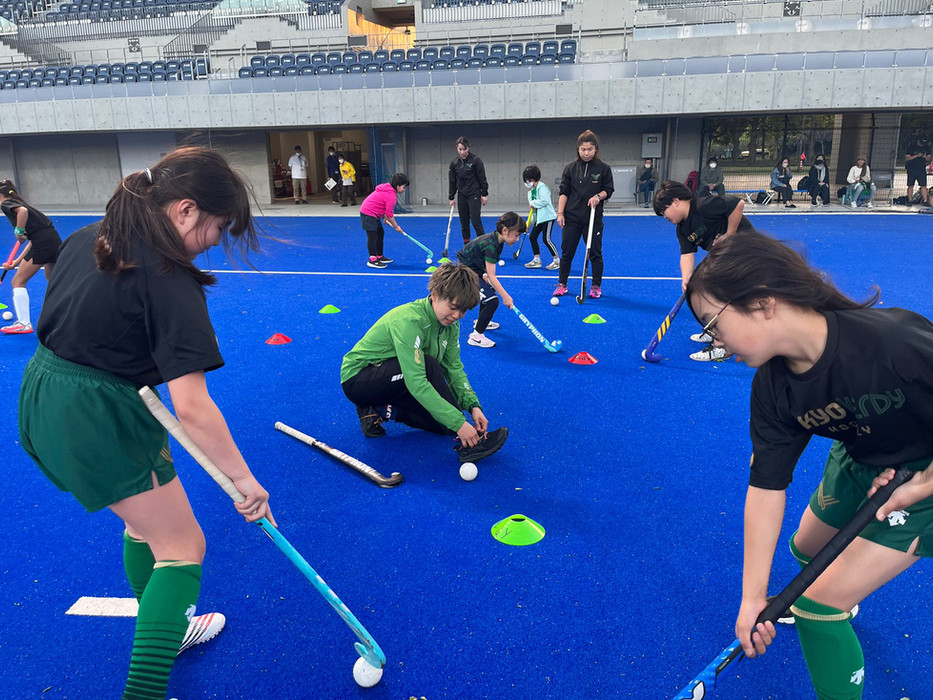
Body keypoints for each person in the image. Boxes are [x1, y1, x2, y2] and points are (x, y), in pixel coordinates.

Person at [17, 147, 274, 699]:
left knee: (145, 525)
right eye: (218, 226)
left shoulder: (89, 236)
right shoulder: (169, 277)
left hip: (42, 398)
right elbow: (192, 406)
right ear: (185, 210)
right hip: (98, 416)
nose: (215, 241)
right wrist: (243, 480)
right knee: (183, 547)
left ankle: (167, 628)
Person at [685, 229, 933, 700]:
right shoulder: (773, 387)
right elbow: (766, 486)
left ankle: (833, 615)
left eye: (713, 322)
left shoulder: (893, 342)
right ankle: (843, 604)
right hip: (862, 454)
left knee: (817, 605)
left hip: (925, 473)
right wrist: (752, 597)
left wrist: (921, 485)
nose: (714, 340)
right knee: (808, 548)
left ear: (763, 302)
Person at [340, 263, 509, 465]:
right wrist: (459, 423)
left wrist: (473, 406)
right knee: (430, 370)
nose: (457, 315)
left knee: (445, 426)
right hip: (359, 379)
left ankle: (381, 409)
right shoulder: (409, 321)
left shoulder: (451, 326)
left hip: (399, 378)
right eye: (453, 307)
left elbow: (453, 368)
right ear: (435, 295)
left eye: (463, 310)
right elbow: (417, 381)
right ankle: (469, 444)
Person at [652, 178, 755, 362]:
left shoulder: (703, 206)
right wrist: (687, 278)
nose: (665, 216)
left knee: (719, 295)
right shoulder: (682, 229)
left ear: (676, 201)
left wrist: (730, 235)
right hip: (726, 257)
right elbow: (686, 254)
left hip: (745, 251)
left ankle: (722, 346)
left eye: (664, 210)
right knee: (700, 290)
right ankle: (715, 330)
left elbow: (737, 204)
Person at [554, 129, 614, 299]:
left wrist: (598, 196)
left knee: (595, 253)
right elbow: (564, 192)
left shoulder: (603, 169)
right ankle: (562, 284)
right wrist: (560, 213)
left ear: (596, 149)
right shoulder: (570, 169)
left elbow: (608, 190)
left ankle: (596, 286)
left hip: (593, 219)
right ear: (578, 149)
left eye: (589, 149)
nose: (586, 153)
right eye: (583, 149)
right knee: (567, 253)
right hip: (571, 218)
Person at [0, 180, 62, 335]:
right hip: (51, 240)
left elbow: (22, 212)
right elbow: (33, 240)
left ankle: (24, 323)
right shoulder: (19, 203)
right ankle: (64, 317)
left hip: (42, 243)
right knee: (54, 281)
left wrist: (18, 231)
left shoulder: (6, 204)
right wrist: (15, 262)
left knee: (17, 282)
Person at [457, 211, 525, 348]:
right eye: (516, 235)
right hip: (465, 271)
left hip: (474, 268)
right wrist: (506, 296)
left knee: (489, 290)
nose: (517, 239)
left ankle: (482, 321)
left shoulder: (497, 240)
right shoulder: (492, 245)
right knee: (493, 301)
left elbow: (480, 258)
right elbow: (492, 276)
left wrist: (483, 273)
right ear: (505, 230)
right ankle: (476, 336)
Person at [359, 172, 410, 269]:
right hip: (368, 212)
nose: (404, 190)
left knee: (380, 233)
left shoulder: (388, 189)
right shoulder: (391, 196)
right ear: (398, 186)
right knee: (372, 236)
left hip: (374, 212)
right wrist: (396, 227)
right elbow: (390, 214)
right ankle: (372, 259)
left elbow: (381, 204)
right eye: (403, 187)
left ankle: (379, 256)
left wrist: (383, 217)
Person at [448, 136, 488, 246]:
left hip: (474, 194)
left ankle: (483, 245)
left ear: (468, 148)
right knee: (464, 223)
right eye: (459, 149)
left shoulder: (475, 161)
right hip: (461, 195)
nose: (462, 152)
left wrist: (484, 194)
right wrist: (451, 197)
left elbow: (482, 178)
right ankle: (467, 246)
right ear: (457, 148)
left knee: (475, 221)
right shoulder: (454, 163)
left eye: (464, 149)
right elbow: (452, 181)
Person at [521, 165, 559, 270]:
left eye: (529, 180)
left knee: (546, 239)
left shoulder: (542, 187)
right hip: (539, 219)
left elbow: (544, 201)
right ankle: (537, 260)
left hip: (547, 217)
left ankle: (557, 261)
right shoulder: (530, 193)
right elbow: (533, 211)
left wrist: (533, 203)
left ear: (534, 178)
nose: (527, 182)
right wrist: (529, 223)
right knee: (532, 237)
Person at [904, 135, 930, 206]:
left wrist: (924, 156)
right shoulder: (911, 147)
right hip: (912, 168)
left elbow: (928, 158)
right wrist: (917, 156)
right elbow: (907, 158)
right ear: (918, 141)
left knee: (923, 185)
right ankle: (910, 199)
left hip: (921, 168)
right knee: (910, 185)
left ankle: (925, 200)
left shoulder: (927, 147)